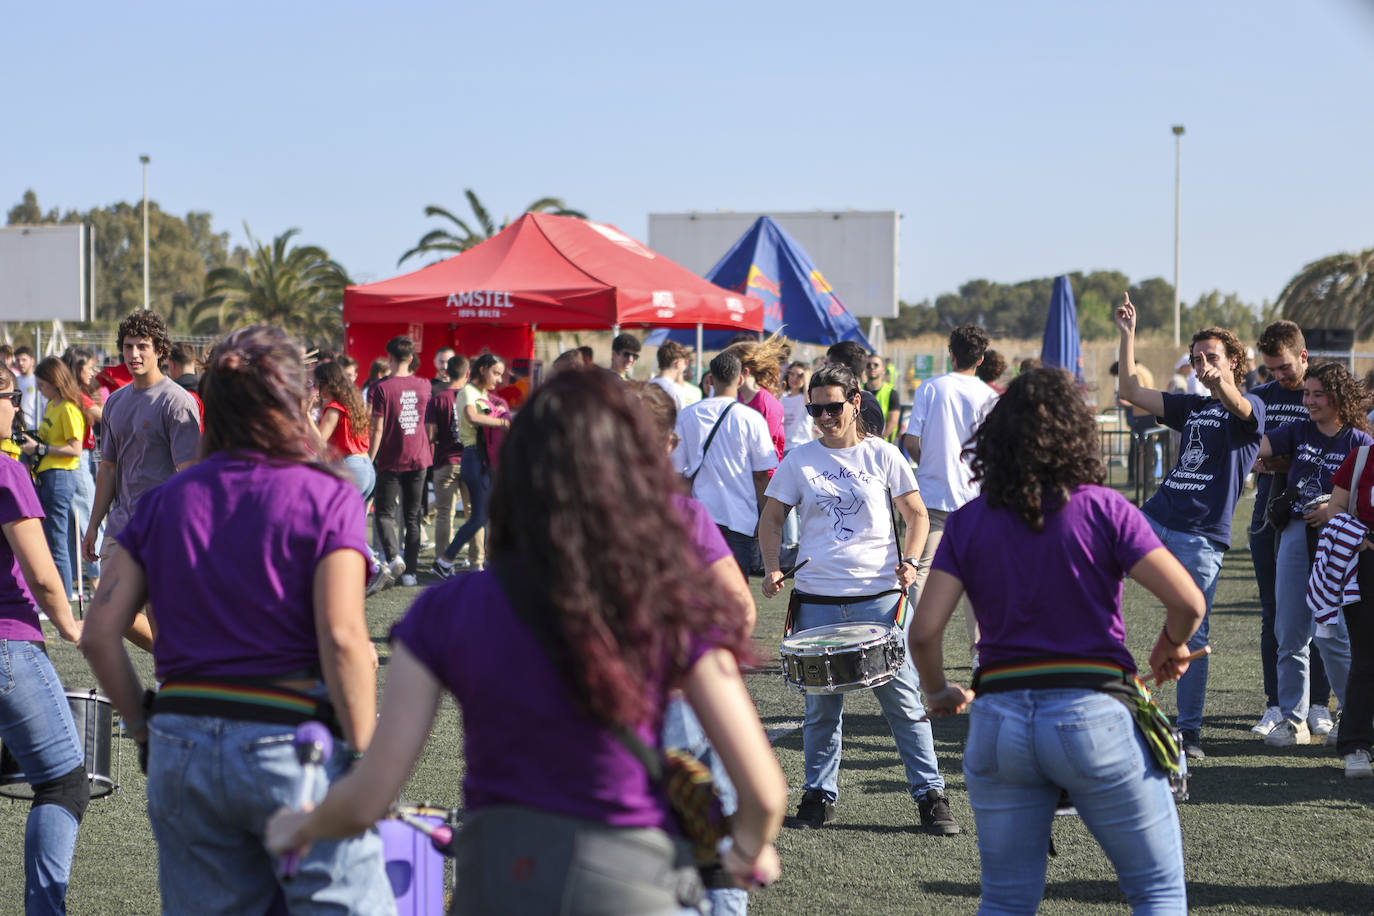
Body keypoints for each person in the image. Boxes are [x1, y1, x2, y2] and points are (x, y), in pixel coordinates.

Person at [265, 368, 787, 913]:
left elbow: (370, 793)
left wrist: (302, 826)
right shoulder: (668, 607)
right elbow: (765, 793)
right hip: (633, 878)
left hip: (499, 876)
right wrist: (745, 849)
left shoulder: (447, 608)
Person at [79, 326, 392, 915]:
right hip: (290, 743)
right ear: (295, 402)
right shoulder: (327, 494)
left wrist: (144, 729)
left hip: (182, 745)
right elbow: (348, 642)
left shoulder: (166, 501)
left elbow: (98, 632)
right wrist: (366, 762)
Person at [908, 367, 1206, 915]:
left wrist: (937, 692)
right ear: (1078, 432)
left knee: (1005, 900)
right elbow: (1188, 604)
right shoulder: (1104, 507)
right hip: (1094, 713)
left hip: (998, 722)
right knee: (1156, 893)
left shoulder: (971, 520)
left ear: (997, 436)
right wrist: (1170, 645)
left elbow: (923, 632)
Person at [758, 364, 957, 834]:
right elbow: (770, 519)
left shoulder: (884, 455)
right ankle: (819, 798)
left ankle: (931, 796)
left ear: (855, 401)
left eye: (832, 406)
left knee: (905, 704)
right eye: (815, 409)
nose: (824, 416)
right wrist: (771, 565)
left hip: (880, 599)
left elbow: (917, 515)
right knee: (821, 708)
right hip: (816, 600)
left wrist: (910, 561)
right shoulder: (799, 460)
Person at [1116, 294, 1266, 759]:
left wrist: (1221, 381)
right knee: (1086, 576)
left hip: (1201, 537)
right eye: (1197, 357)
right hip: (1157, 515)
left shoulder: (1251, 407)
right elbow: (1130, 391)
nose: (1202, 364)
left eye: (1212, 357)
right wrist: (1128, 336)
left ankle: (1190, 733)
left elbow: (1239, 406)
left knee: (1193, 635)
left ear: (1234, 362)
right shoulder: (1191, 406)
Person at [0, 362, 88, 915]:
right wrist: (72, 627)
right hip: (8, 643)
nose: (15, 406)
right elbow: (43, 575)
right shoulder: (6, 472)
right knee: (63, 786)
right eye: (8, 396)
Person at [1257, 362, 1371, 747]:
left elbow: (1367, 499)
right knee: (1289, 631)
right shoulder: (1298, 429)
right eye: (1307, 393)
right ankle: (1293, 720)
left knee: (1333, 633)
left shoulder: (1360, 441)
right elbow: (1260, 445)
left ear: (1338, 398)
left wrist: (1333, 512)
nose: (1308, 401)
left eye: (1317, 394)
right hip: (1293, 533)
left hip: (1339, 542)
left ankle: (1350, 715)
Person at [82, 309, 201, 652]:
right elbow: (107, 468)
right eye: (128, 346)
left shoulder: (177, 402)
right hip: (122, 526)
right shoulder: (115, 402)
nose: (134, 354)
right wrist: (94, 525)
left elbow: (189, 475)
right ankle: (178, 661)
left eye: (143, 346)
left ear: (160, 350)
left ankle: (176, 682)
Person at [1247, 321, 1334, 739]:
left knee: (1322, 611)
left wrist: (1284, 462)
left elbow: (1324, 450)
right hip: (1269, 514)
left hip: (1316, 516)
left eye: (1283, 367)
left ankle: (1319, 703)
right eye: (1270, 370)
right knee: (1275, 614)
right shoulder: (1260, 397)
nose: (1278, 377)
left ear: (1303, 356)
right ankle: (1277, 704)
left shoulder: (1320, 395)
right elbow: (1253, 449)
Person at [902, 324, 999, 668]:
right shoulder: (990, 396)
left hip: (931, 495)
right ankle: (979, 652)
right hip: (975, 497)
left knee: (918, 571)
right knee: (978, 577)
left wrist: (928, 461)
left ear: (951, 354)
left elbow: (911, 440)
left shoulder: (930, 387)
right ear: (981, 358)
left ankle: (921, 643)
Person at [672, 351, 778, 577]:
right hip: (739, 518)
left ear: (710, 379)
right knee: (734, 595)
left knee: (699, 593)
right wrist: (765, 515)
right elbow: (762, 475)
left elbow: (676, 473)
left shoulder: (687, 415)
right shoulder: (751, 419)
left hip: (698, 517)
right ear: (740, 380)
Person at [432, 352, 510, 579]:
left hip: (482, 459)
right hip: (473, 457)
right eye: (496, 373)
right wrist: (503, 421)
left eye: (501, 375)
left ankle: (450, 561)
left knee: (481, 516)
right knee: (478, 517)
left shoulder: (481, 393)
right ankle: (444, 561)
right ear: (483, 369)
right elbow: (472, 416)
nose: (498, 379)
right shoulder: (468, 391)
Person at [367, 336, 433, 590]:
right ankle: (411, 573)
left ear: (390, 358)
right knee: (412, 516)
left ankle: (394, 557)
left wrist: (370, 458)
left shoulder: (381, 388)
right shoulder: (425, 385)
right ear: (411, 357)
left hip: (391, 459)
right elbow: (427, 423)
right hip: (420, 457)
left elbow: (377, 429)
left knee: (383, 514)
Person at [19, 358, 86, 602]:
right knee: (48, 540)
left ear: (56, 382)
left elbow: (75, 449)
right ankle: (55, 598)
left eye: (42, 385)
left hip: (60, 477)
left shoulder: (68, 409)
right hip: (46, 476)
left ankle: (64, 598)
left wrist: (42, 448)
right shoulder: (51, 406)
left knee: (57, 542)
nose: (39, 390)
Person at [426, 354, 476, 570]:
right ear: (467, 373)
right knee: (473, 513)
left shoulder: (438, 398)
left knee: (444, 514)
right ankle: (477, 561)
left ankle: (444, 561)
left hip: (446, 461)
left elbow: (430, 434)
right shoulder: (474, 397)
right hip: (471, 461)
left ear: (447, 372)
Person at [62, 346, 103, 594]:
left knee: (77, 520)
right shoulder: (78, 395)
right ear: (78, 369)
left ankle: (89, 579)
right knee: (90, 516)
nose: (93, 372)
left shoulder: (76, 393)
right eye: (89, 368)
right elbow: (103, 414)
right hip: (79, 461)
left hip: (83, 460)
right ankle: (99, 579)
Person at [313, 361, 373, 502]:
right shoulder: (352, 403)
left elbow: (318, 441)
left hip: (350, 466)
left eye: (316, 383)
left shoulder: (334, 408)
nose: (315, 388)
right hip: (366, 467)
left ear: (326, 384)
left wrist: (306, 415)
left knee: (334, 519)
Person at [779, 361, 814, 550]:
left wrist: (807, 377)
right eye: (792, 374)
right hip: (784, 450)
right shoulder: (783, 398)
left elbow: (809, 400)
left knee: (802, 498)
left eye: (799, 375)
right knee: (786, 497)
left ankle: (797, 540)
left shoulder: (804, 399)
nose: (795, 379)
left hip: (800, 449)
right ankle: (791, 541)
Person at [825, 341, 884, 435]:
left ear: (840, 367)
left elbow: (872, 445)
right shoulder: (841, 400)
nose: (824, 371)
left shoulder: (867, 405)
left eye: (827, 365)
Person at [864, 353, 903, 440]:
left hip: (883, 444)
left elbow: (893, 422)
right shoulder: (859, 391)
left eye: (876, 365)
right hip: (861, 444)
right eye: (868, 365)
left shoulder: (891, 393)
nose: (872, 367)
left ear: (883, 369)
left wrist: (877, 440)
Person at [650, 340, 696, 410]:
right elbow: (681, 418)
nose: (686, 365)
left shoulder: (646, 385)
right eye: (685, 362)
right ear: (677, 363)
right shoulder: (676, 390)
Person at [14, 346, 37, 430]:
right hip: (18, 428)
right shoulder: (14, 381)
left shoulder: (37, 381)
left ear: (32, 361)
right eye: (17, 360)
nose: (20, 363)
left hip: (34, 428)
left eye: (24, 360)